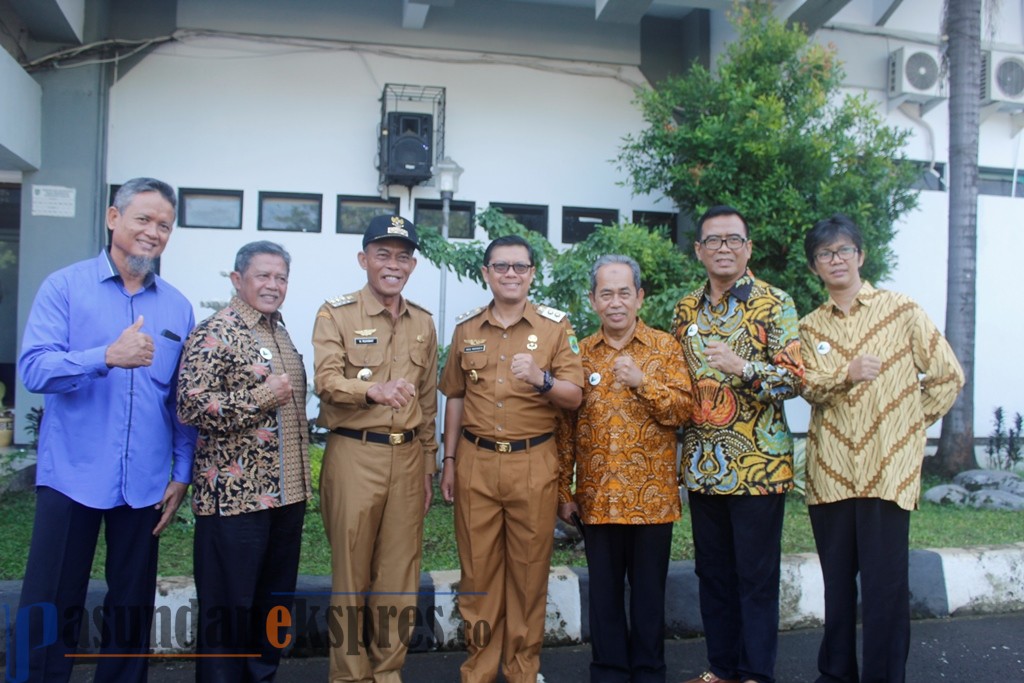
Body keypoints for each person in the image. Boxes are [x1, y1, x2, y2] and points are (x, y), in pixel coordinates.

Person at [15, 177, 197, 682]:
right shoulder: (65, 287)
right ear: (113, 219)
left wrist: (181, 471)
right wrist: (105, 357)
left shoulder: (177, 307)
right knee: (52, 599)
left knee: (131, 609)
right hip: (72, 474)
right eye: (143, 219)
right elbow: (34, 369)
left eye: (164, 225)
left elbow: (179, 401)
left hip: (142, 485)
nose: (153, 232)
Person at [798, 214, 963, 683]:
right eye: (826, 254)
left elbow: (948, 375)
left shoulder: (901, 310)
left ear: (861, 255)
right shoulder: (809, 329)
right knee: (837, 589)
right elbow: (807, 385)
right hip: (830, 473)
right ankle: (836, 676)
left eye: (844, 250)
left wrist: (908, 425)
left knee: (886, 588)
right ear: (815, 267)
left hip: (887, 473)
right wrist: (844, 375)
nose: (836, 260)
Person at [439, 234, 584, 683]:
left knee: (527, 576)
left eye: (520, 267)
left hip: (532, 462)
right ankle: (479, 672)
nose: (510, 275)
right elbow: (456, 397)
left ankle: (522, 671)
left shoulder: (556, 327)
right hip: (476, 462)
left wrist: (541, 379)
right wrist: (448, 459)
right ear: (486, 273)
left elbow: (574, 396)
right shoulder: (467, 329)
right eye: (501, 266)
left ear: (532, 274)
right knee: (477, 575)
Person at [671, 205, 805, 683]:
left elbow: (795, 380)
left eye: (733, 240)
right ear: (699, 250)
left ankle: (755, 674)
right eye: (713, 240)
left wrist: (742, 367)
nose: (723, 248)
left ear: (748, 248)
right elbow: (677, 384)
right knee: (714, 577)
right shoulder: (686, 308)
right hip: (704, 468)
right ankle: (721, 669)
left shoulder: (776, 303)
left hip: (758, 468)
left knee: (755, 581)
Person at [176, 241, 311, 681]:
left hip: (286, 499)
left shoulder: (280, 331)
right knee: (228, 616)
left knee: (272, 612)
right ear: (238, 280)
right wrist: (260, 397)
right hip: (236, 503)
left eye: (281, 278)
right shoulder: (215, 331)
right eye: (263, 276)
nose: (273, 285)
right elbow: (190, 407)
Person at [556, 255, 693, 683]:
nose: (616, 302)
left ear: (639, 297)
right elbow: (565, 427)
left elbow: (685, 410)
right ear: (593, 300)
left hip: (652, 500)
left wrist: (643, 383)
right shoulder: (578, 354)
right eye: (606, 294)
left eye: (624, 293)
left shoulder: (665, 348)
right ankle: (609, 672)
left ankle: (650, 672)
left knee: (650, 597)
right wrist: (564, 492)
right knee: (605, 597)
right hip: (597, 500)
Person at [312, 215, 438, 683]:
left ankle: (387, 673)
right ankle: (348, 676)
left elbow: (426, 401)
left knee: (398, 578)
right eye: (382, 254)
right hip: (353, 455)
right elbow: (325, 380)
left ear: (413, 265)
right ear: (363, 259)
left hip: (407, 460)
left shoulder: (423, 322)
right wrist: (372, 392)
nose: (393, 264)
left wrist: (428, 465)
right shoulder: (336, 313)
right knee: (351, 576)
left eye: (403, 256)